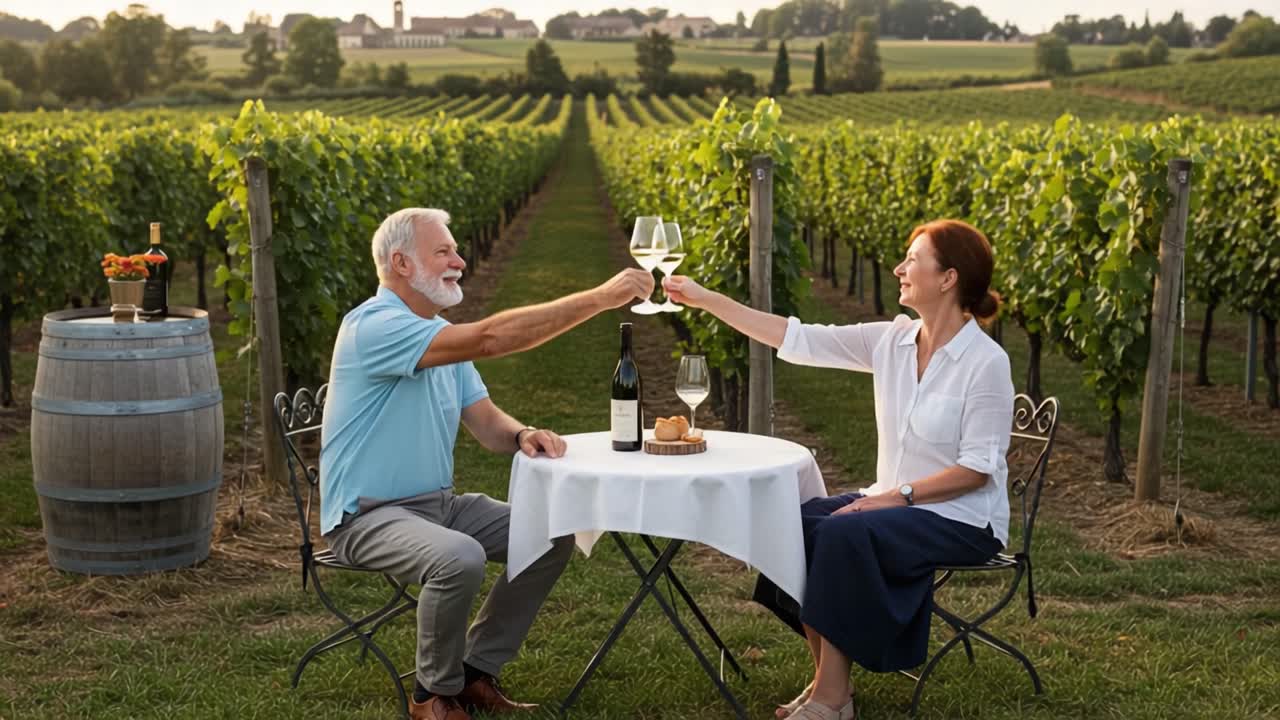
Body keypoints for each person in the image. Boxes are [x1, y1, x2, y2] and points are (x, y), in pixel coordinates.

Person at [664, 219, 1013, 720]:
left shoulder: (986, 362)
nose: (899, 268)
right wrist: (708, 299)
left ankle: (830, 699)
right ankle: (831, 685)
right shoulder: (892, 341)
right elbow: (797, 338)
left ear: (948, 278)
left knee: (845, 530)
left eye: (912, 259)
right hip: (896, 502)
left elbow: (977, 471)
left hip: (960, 517)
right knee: (794, 522)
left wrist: (895, 497)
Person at [320, 208, 654, 720]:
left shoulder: (431, 328)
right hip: (366, 517)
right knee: (459, 557)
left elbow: (483, 421)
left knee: (551, 533)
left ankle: (476, 671)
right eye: (444, 252)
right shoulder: (376, 326)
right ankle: (433, 694)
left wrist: (521, 433)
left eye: (456, 249)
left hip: (436, 505)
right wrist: (598, 299)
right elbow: (491, 338)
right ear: (401, 263)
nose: (460, 260)